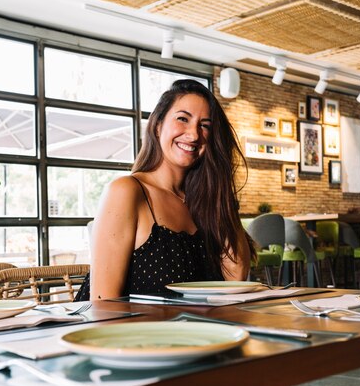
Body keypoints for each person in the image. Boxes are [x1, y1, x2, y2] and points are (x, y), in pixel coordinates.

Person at [75, 79, 254, 301]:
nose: (194, 134)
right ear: (158, 125)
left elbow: (236, 281)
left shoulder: (203, 203)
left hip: (192, 332)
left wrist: (220, 190)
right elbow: (103, 304)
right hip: (126, 333)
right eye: (183, 119)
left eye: (205, 125)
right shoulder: (127, 191)